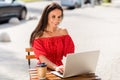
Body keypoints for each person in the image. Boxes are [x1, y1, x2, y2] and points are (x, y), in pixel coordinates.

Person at [30, 2, 75, 73]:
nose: (57, 20)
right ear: (46, 16)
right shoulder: (38, 36)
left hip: (60, 68)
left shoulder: (63, 32)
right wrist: (56, 67)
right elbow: (42, 59)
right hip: (44, 69)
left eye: (59, 17)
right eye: (53, 16)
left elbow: (70, 54)